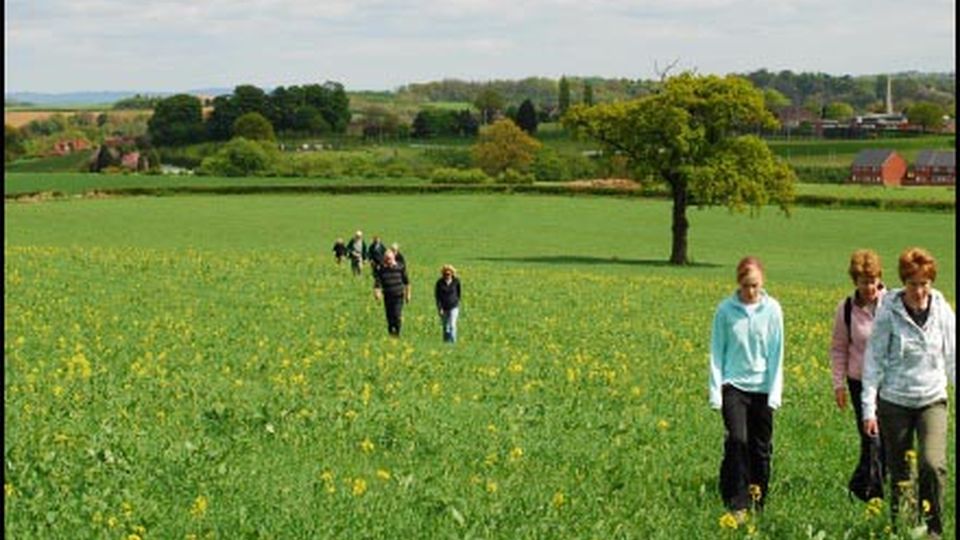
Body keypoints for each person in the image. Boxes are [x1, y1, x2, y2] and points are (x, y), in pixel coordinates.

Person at [862, 247, 955, 538]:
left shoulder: (942, 309)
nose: (918, 290)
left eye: (924, 283)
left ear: (931, 282)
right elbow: (873, 359)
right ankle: (902, 529)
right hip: (895, 402)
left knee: (932, 464)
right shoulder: (889, 310)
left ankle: (933, 531)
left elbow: (952, 356)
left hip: (932, 400)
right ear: (904, 282)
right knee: (901, 473)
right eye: (913, 283)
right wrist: (868, 408)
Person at [708, 256, 784, 520]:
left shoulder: (772, 310)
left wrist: (775, 393)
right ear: (738, 283)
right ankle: (738, 503)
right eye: (746, 285)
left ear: (762, 284)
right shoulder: (725, 311)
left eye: (756, 286)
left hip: (762, 387)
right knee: (738, 441)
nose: (751, 291)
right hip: (734, 386)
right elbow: (717, 351)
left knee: (760, 447)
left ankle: (758, 498)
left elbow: (777, 353)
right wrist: (715, 391)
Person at [829, 249, 887, 501]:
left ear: (879, 279)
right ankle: (872, 495)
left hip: (890, 383)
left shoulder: (893, 303)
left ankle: (859, 487)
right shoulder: (846, 309)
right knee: (871, 437)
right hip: (859, 383)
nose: (869, 287)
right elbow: (839, 348)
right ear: (855, 281)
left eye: (872, 281)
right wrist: (838, 384)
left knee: (887, 440)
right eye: (864, 282)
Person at [373, 250, 411, 337]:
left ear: (393, 258)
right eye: (386, 259)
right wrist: (377, 293)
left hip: (398, 296)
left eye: (389, 259)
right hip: (387, 296)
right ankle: (391, 333)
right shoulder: (381, 269)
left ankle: (397, 333)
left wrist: (408, 294)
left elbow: (407, 282)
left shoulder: (400, 267)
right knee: (389, 317)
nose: (387, 261)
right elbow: (377, 283)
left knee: (397, 315)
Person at [434, 264, 462, 343]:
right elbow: (437, 296)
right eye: (445, 274)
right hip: (443, 308)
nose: (447, 276)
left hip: (454, 307)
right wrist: (439, 308)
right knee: (446, 327)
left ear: (452, 273)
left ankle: (453, 342)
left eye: (449, 274)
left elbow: (459, 293)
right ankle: (446, 342)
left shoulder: (456, 281)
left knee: (452, 325)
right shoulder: (439, 283)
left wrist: (457, 302)